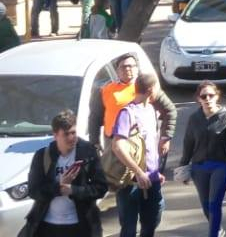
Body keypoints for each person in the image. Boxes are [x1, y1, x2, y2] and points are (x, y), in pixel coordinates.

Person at [19, 109, 108, 237]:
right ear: (55, 135)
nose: (72, 138)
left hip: (80, 225)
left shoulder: (88, 153)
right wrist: (59, 187)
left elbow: (101, 188)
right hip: (48, 226)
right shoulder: (43, 156)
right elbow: (34, 191)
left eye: (74, 133)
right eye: (66, 134)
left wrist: (73, 190)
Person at [178, 81, 226, 237]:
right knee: (206, 206)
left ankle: (213, 234)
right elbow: (188, 144)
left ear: (217, 96)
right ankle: (218, 230)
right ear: (198, 99)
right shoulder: (194, 118)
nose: (207, 99)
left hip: (222, 166)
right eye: (203, 96)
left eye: (211, 95)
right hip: (199, 167)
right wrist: (183, 167)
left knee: (214, 204)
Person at [87, 55, 177, 158]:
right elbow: (94, 118)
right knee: (115, 173)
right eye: (123, 67)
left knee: (143, 172)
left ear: (137, 69)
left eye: (131, 66)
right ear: (117, 71)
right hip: (113, 143)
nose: (128, 69)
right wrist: (94, 143)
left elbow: (170, 111)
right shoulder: (105, 90)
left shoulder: (147, 88)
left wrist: (165, 138)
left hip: (142, 143)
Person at [112, 73, 166, 237]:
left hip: (152, 180)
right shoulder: (127, 113)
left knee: (150, 224)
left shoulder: (151, 110)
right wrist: (138, 172)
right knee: (128, 229)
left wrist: (155, 171)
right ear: (150, 89)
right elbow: (118, 146)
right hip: (131, 183)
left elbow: (149, 146)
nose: (158, 91)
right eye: (157, 87)